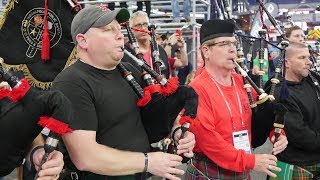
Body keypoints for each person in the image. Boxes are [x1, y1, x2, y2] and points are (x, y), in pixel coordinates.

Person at [52, 5, 195, 179]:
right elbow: (85, 157)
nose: (120, 35)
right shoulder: (71, 82)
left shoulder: (129, 71)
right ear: (83, 41)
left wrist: (176, 130)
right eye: (108, 30)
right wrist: (148, 161)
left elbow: (155, 114)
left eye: (119, 29)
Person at [185, 19, 288, 179]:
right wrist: (250, 161)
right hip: (210, 170)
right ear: (206, 51)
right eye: (224, 44)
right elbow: (209, 142)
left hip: (242, 167)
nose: (232, 49)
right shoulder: (196, 89)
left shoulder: (243, 83)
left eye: (233, 43)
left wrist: (277, 133)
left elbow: (262, 115)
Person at [271, 42, 320, 179]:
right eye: (302, 58)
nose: (308, 62)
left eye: (308, 57)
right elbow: (300, 135)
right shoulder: (281, 92)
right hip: (298, 163)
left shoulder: (312, 80)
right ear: (287, 63)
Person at [122, 11, 172, 78]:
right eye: (138, 25)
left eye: (145, 24)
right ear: (131, 29)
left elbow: (166, 74)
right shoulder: (125, 53)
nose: (142, 28)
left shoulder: (160, 50)